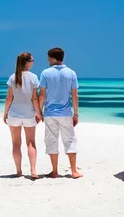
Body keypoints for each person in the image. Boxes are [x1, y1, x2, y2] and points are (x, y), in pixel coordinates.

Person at [38, 47, 82, 179]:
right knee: (70, 140)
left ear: (52, 58)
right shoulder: (71, 73)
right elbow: (74, 95)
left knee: (51, 140)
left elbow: (42, 94)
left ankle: (55, 171)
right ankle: (74, 171)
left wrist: (39, 112)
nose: (47, 60)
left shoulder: (45, 73)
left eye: (48, 57)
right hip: (67, 113)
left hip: (50, 113)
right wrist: (76, 114)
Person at [3, 52, 42, 179]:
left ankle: (19, 171)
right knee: (31, 142)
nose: (33, 62)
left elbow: (9, 98)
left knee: (16, 143)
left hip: (14, 114)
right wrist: (38, 113)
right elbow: (34, 98)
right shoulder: (34, 77)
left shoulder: (13, 77)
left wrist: (5, 113)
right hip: (29, 114)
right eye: (32, 60)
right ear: (27, 62)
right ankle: (33, 170)